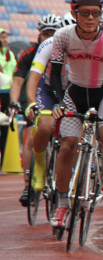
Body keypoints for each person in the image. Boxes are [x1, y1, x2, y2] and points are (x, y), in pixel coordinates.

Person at [48, 0, 103, 230]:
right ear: (74, 13)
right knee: (67, 147)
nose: (91, 18)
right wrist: (57, 102)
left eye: (96, 13)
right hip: (74, 93)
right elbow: (55, 73)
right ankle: (63, 203)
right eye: (85, 13)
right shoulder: (62, 36)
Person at [22, 14, 74, 205]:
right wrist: (30, 102)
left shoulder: (86, 45)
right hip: (48, 89)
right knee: (44, 125)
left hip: (73, 90)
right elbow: (33, 77)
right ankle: (40, 166)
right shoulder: (49, 44)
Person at [12, 14, 61, 206]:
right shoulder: (30, 53)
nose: (48, 37)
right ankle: (28, 184)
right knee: (33, 136)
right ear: (39, 34)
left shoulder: (66, 49)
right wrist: (15, 101)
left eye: (53, 33)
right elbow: (18, 80)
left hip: (62, 93)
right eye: (45, 33)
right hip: (40, 94)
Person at [0, 28, 17, 161]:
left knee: (6, 125)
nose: (4, 40)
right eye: (2, 37)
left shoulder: (10, 54)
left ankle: (5, 159)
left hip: (8, 93)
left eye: (6, 37)